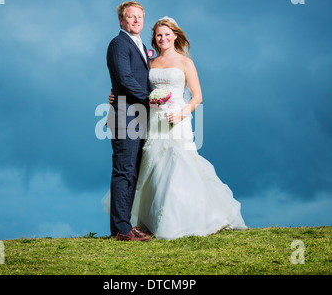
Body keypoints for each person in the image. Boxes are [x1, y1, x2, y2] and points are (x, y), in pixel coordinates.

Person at [105, 16, 247, 240]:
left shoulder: (185, 62)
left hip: (176, 119)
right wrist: (115, 93)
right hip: (153, 120)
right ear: (155, 38)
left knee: (178, 164)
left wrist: (181, 113)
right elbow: (131, 81)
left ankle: (184, 219)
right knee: (154, 166)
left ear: (176, 36)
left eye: (167, 35)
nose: (163, 38)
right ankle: (150, 221)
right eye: (159, 35)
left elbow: (198, 96)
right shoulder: (150, 62)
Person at [106, 1, 151, 242]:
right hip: (125, 117)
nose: (135, 21)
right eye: (131, 17)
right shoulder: (118, 44)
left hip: (139, 117)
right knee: (123, 172)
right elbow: (124, 79)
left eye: (139, 17)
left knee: (132, 173)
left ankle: (124, 225)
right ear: (121, 21)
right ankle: (121, 230)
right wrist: (152, 99)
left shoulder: (141, 45)